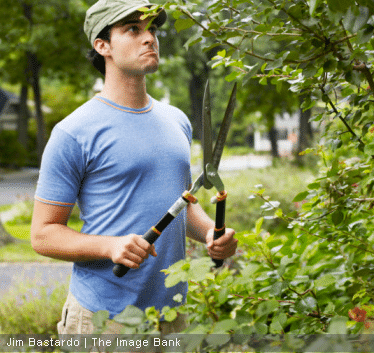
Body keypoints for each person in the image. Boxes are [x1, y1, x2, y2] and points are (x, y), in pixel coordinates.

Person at [30, 0, 237, 335]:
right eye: (133, 30)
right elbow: (42, 235)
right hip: (104, 320)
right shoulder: (74, 132)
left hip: (170, 317)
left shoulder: (176, 121)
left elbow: (178, 205)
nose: (150, 38)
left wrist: (213, 235)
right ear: (102, 45)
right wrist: (110, 246)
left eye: (153, 29)